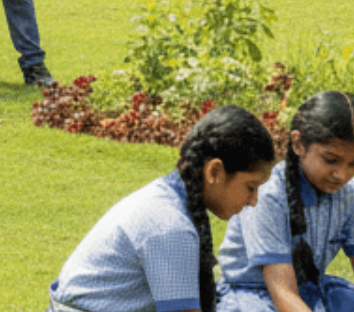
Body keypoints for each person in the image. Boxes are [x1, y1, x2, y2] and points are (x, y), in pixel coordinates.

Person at [48, 106, 278, 312]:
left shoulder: (170, 199)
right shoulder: (170, 227)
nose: (254, 200)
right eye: (250, 187)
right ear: (214, 172)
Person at [215, 92, 354, 312]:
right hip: (252, 295)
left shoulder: (351, 193)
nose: (342, 174)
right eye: (331, 160)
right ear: (298, 144)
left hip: (311, 289)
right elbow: (282, 291)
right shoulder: (269, 195)